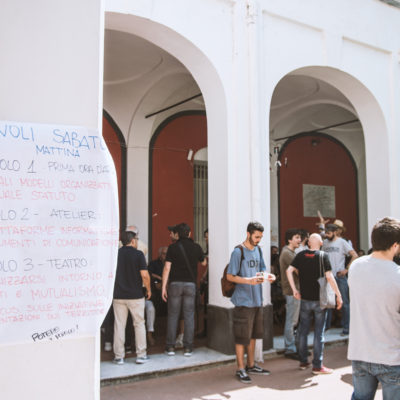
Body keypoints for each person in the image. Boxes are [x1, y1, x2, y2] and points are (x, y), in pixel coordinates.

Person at [348, 217, 400, 400]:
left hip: (360, 352)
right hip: (391, 355)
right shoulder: (397, 275)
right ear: (395, 245)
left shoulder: (355, 267)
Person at [226, 222, 276, 384]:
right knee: (241, 337)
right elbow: (230, 276)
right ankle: (240, 368)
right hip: (243, 301)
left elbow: (261, 270)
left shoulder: (258, 250)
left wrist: (268, 276)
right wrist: (248, 281)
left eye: (261, 237)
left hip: (257, 300)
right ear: (248, 234)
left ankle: (251, 365)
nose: (258, 240)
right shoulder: (237, 252)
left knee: (254, 335)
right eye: (256, 237)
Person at [287, 233, 342, 374]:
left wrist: (294, 290)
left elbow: (289, 271)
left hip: (305, 299)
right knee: (319, 333)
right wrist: (338, 294)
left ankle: (303, 361)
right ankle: (317, 365)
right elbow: (329, 277)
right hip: (320, 300)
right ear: (321, 243)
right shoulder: (323, 256)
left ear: (309, 243)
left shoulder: (301, 255)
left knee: (303, 332)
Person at [162, 223, 206, 356]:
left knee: (173, 315)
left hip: (175, 285)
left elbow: (167, 267)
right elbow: (203, 262)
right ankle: (188, 347)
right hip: (190, 285)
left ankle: (170, 347)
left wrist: (163, 287)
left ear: (177, 234)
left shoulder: (172, 248)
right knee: (189, 315)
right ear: (189, 233)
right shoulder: (196, 247)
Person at [112, 231, 151, 365]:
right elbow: (145, 275)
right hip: (135, 295)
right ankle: (141, 355)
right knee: (139, 324)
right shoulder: (138, 254)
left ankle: (119, 356)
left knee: (119, 325)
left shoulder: (115, 255)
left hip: (118, 295)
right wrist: (149, 289)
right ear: (133, 241)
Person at [322, 223, 358, 335]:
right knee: (327, 303)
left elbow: (354, 255)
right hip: (328, 276)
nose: (326, 235)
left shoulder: (342, 242)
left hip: (339, 276)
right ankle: (326, 327)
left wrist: (346, 270)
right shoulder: (325, 243)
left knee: (345, 303)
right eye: (325, 233)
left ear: (335, 232)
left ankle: (347, 328)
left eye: (328, 233)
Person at [279, 228, 301, 359]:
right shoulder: (287, 253)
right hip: (291, 291)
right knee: (291, 320)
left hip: (295, 290)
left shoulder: (291, 252)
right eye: (297, 237)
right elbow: (299, 270)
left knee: (294, 319)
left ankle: (294, 347)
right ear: (289, 240)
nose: (299, 240)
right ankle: (290, 348)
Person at [145, 246, 168, 346]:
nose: (165, 256)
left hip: (168, 290)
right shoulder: (154, 263)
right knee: (152, 304)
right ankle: (151, 333)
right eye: (163, 253)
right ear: (159, 254)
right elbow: (149, 274)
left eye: (167, 254)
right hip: (156, 290)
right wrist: (160, 278)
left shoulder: (170, 263)